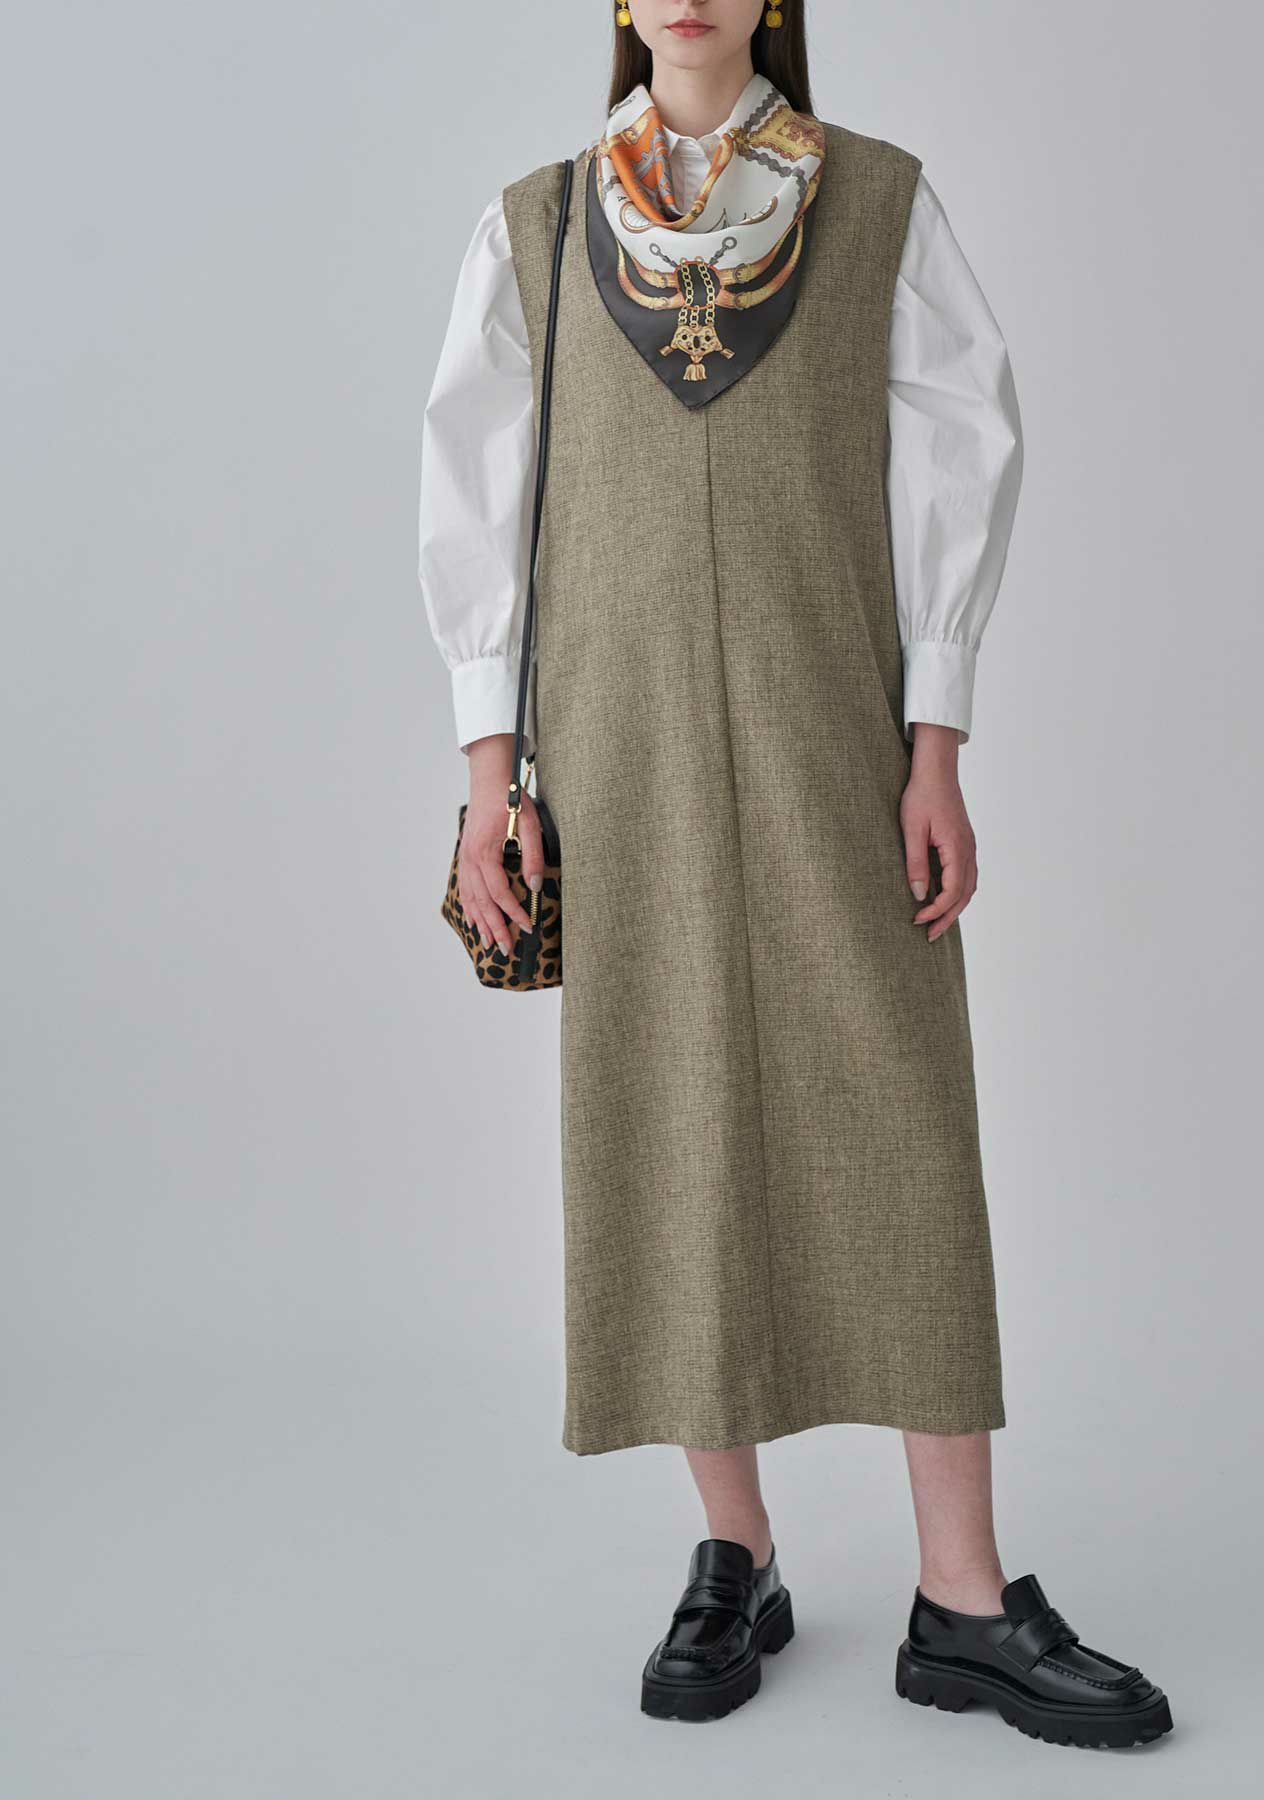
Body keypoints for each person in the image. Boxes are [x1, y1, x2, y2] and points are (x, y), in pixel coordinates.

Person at [419, 0, 1172, 1748]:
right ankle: (735, 1551)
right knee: (664, 1100)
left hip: (832, 712)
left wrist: (938, 740)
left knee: (900, 1108)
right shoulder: (535, 225)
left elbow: (959, 458)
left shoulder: (879, 200)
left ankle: (963, 1595)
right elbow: (478, 497)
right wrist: (485, 776)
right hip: (614, 735)